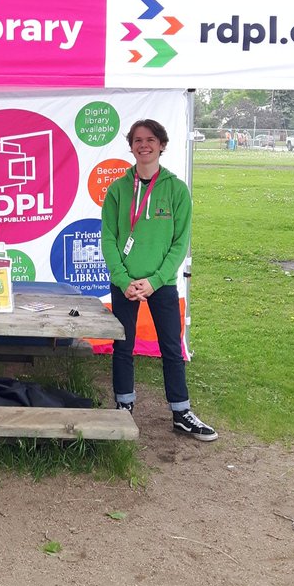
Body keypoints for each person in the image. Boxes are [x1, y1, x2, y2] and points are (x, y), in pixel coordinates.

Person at [100, 119, 218, 441]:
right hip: (125, 284)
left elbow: (180, 243)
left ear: (162, 144)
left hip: (161, 284)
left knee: (170, 348)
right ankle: (123, 406)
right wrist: (124, 279)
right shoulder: (118, 189)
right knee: (122, 347)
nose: (144, 145)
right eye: (138, 140)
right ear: (131, 146)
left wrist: (154, 280)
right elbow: (109, 239)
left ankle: (181, 411)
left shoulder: (176, 189)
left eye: (150, 139)